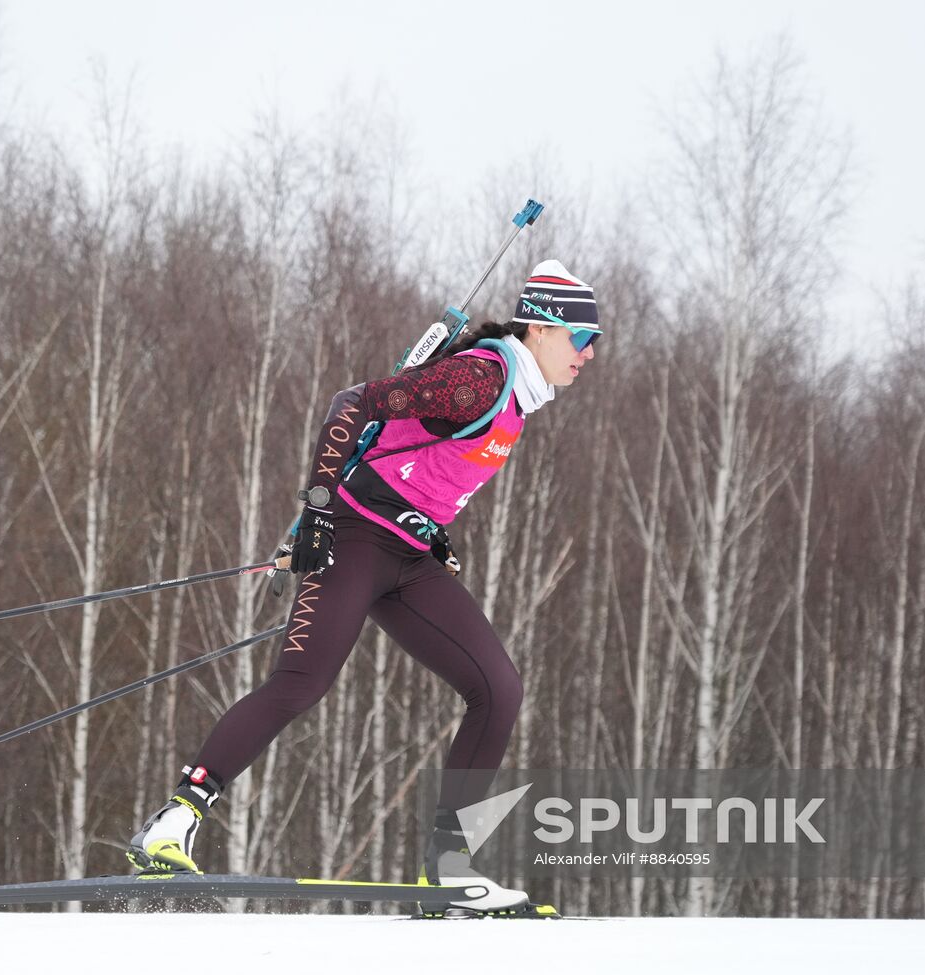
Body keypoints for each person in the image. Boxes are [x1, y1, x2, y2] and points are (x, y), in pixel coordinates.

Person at [128, 259, 602, 914]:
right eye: (583, 337)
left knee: (498, 689)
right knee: (300, 683)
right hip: (352, 540)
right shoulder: (478, 379)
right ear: (542, 328)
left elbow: (421, 466)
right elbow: (352, 404)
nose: (589, 353)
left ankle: (448, 869)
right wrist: (319, 511)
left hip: (409, 556)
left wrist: (432, 529)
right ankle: (172, 822)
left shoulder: (516, 399)